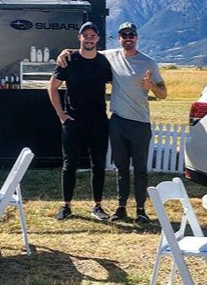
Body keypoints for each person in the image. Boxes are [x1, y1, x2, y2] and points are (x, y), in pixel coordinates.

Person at [58, 22, 167, 224]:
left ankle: (141, 210)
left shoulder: (149, 62)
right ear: (119, 38)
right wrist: (65, 52)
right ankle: (121, 208)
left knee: (140, 169)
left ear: (136, 37)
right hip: (117, 121)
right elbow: (86, 50)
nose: (128, 38)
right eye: (124, 35)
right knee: (121, 168)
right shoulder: (110, 56)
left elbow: (163, 94)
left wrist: (150, 85)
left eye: (131, 35)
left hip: (140, 121)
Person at [48, 21, 113, 221]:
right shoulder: (69, 60)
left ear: (98, 39)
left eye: (93, 35)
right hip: (73, 121)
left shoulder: (104, 62)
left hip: (98, 121)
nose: (89, 38)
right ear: (80, 38)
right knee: (70, 164)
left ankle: (98, 206)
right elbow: (52, 87)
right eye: (86, 35)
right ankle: (66, 206)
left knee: (99, 165)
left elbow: (119, 80)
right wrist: (61, 114)